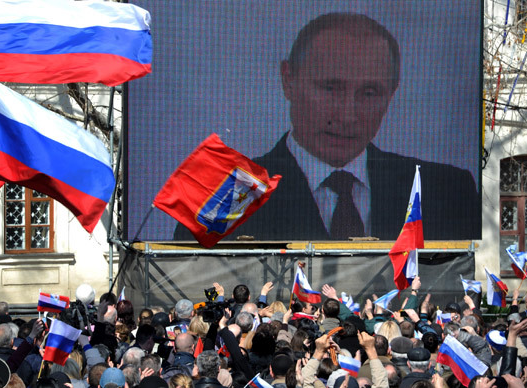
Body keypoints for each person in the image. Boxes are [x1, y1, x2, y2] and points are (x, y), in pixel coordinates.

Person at [174, 12, 479, 242]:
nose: (348, 115)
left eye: (369, 93)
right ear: (288, 80)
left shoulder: (445, 190)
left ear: (392, 92)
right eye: (331, 88)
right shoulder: (230, 192)